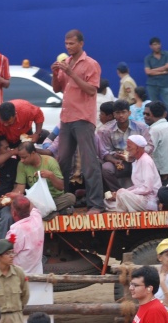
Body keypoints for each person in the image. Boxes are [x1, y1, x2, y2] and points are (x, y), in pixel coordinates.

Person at [51, 30, 105, 214]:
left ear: (81, 43)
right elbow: (57, 88)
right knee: (62, 161)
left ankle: (96, 204)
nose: (68, 47)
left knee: (89, 162)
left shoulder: (91, 64)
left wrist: (71, 73)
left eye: (72, 43)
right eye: (66, 43)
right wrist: (55, 73)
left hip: (83, 118)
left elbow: (91, 90)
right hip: (66, 118)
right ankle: (64, 202)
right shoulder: (66, 62)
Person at [0, 100, 44, 186]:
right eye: (3, 122)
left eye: (9, 122)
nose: (6, 125)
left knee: (27, 158)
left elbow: (39, 115)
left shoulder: (25, 109)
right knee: (4, 160)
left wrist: (37, 134)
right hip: (4, 137)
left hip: (24, 134)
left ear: (15, 115)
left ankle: (31, 183)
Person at [99, 100, 152, 192]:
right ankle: (118, 192)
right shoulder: (106, 130)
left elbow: (150, 146)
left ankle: (141, 191)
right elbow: (105, 151)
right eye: (118, 113)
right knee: (106, 168)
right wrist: (116, 155)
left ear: (129, 113)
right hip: (119, 161)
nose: (121, 115)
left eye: (123, 112)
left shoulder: (141, 127)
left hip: (137, 160)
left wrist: (135, 153)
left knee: (144, 163)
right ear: (114, 114)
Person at [12, 142, 76, 216]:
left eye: (24, 157)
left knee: (70, 198)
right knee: (25, 204)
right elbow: (20, 188)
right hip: (38, 202)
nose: (22, 160)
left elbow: (61, 187)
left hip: (55, 198)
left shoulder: (50, 161)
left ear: (33, 153)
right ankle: (53, 212)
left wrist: (51, 176)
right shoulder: (21, 165)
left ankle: (47, 213)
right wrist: (12, 196)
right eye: (20, 158)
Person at [109, 135, 161, 212]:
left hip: (149, 200)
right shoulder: (137, 161)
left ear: (138, 148)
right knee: (108, 201)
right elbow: (137, 186)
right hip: (140, 197)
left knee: (121, 194)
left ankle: (122, 212)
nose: (126, 149)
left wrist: (125, 193)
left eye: (129, 147)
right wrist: (121, 193)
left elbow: (147, 189)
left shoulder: (146, 161)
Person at [7, 196, 45, 274]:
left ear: (14, 213)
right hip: (38, 274)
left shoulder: (15, 231)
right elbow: (33, 206)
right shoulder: (37, 218)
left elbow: (6, 255)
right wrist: (20, 196)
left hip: (20, 277)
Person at [147, 102, 168, 184]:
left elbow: (147, 151)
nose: (145, 117)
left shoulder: (154, 130)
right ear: (165, 114)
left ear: (151, 114)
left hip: (163, 175)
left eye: (147, 114)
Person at [145, 38, 168, 116]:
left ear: (160, 44)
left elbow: (167, 66)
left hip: (165, 84)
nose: (157, 46)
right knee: (153, 108)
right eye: (154, 44)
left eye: (158, 44)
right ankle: (156, 122)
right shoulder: (148, 58)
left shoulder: (167, 54)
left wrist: (153, 70)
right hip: (152, 85)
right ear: (151, 46)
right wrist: (163, 72)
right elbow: (147, 72)